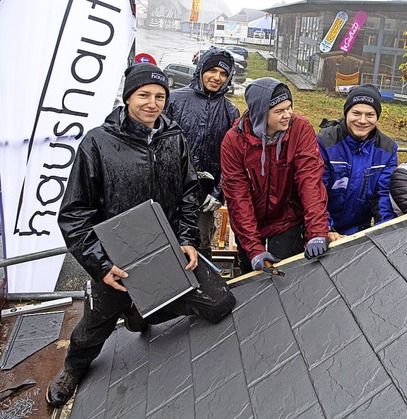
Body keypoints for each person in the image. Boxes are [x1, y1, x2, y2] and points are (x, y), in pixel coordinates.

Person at [46, 64, 236, 408]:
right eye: (144, 95)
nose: (152, 103)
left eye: (160, 96)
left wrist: (187, 238)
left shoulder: (172, 136)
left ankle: (140, 313)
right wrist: (100, 265)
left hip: (166, 247)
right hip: (117, 257)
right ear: (128, 96)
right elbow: (74, 214)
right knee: (97, 322)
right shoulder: (98, 143)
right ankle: (73, 367)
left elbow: (188, 191)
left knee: (219, 302)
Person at [221, 77, 330, 273]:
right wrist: (254, 249)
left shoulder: (300, 129)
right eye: (279, 111)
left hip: (286, 219)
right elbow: (238, 197)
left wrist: (317, 231)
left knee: (286, 274)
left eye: (289, 107)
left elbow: (310, 181)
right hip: (250, 221)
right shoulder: (233, 141)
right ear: (260, 113)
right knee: (253, 275)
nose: (287, 115)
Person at [165, 47, 240, 257]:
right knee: (164, 237)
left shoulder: (230, 111)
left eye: (223, 74)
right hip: (170, 188)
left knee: (200, 241)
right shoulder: (174, 100)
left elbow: (233, 157)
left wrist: (219, 190)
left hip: (205, 193)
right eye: (212, 70)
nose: (217, 78)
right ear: (201, 70)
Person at [317, 84, 398, 238]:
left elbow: (383, 195)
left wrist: (384, 231)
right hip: (322, 226)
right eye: (356, 113)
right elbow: (317, 189)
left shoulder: (387, 149)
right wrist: (325, 228)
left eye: (370, 115)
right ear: (347, 113)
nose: (362, 120)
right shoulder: (325, 142)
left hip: (358, 229)